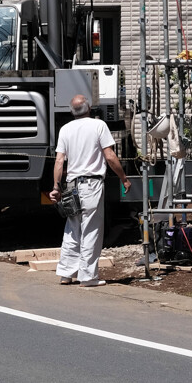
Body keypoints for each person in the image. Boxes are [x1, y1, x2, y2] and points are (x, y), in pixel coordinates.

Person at [50, 94, 131, 287]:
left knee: (72, 229)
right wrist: (123, 178)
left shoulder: (65, 129)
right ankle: (87, 277)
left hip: (72, 186)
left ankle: (66, 273)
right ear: (89, 108)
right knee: (91, 230)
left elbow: (60, 160)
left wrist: (56, 187)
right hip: (92, 185)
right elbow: (109, 155)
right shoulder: (98, 125)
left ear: (72, 111)